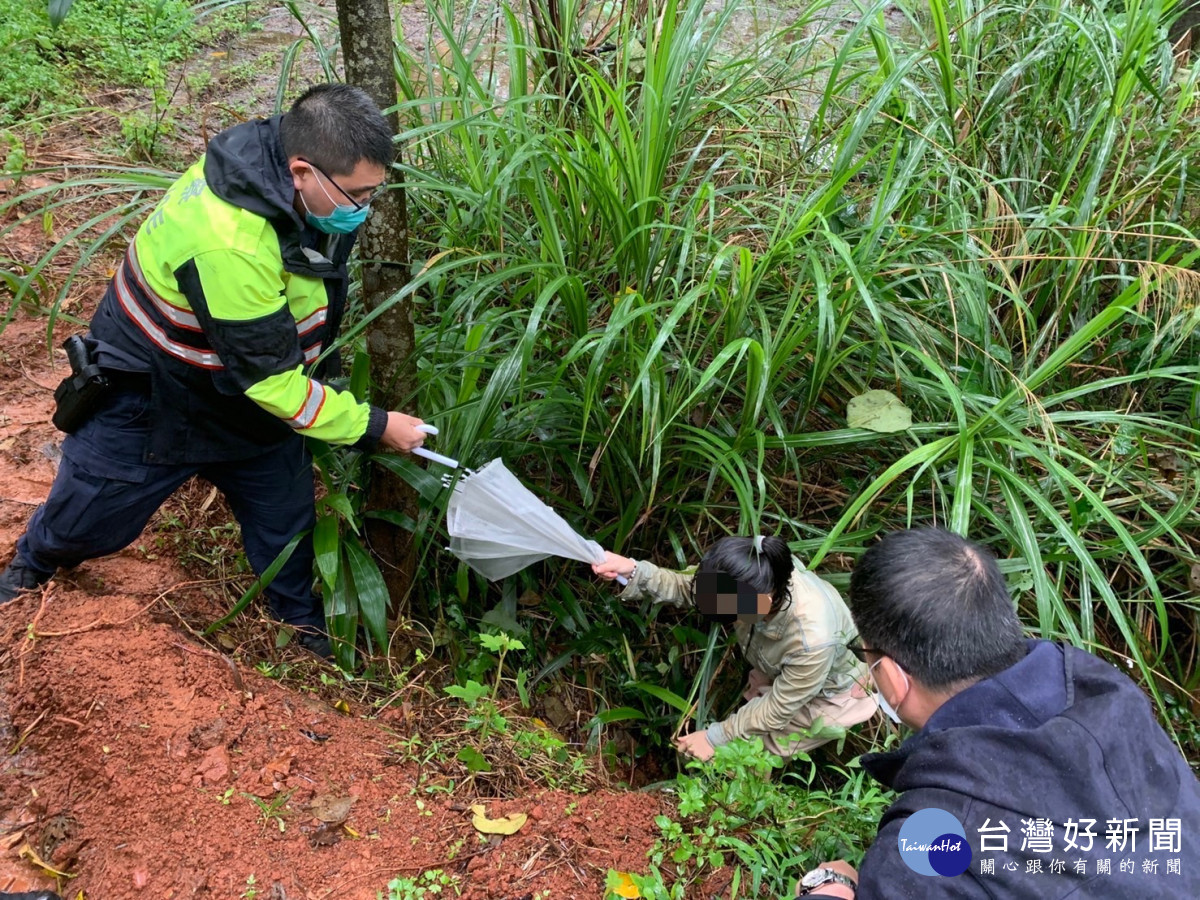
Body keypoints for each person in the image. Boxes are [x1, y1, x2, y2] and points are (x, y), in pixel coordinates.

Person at [0, 84, 429, 659]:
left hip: (245, 393)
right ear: (303, 170)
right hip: (155, 392)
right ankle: (31, 569)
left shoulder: (272, 168)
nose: (364, 208)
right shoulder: (231, 242)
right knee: (91, 515)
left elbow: (270, 364)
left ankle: (303, 631)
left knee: (285, 523)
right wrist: (378, 426)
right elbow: (273, 384)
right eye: (357, 194)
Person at [795, 527, 1200, 898]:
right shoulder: (1110, 696)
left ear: (892, 677)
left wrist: (830, 889)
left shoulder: (929, 851)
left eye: (865, 655)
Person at [593, 536, 877, 761]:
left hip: (831, 694)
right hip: (778, 664)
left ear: (763, 600)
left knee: (750, 753)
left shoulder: (811, 639)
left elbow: (777, 709)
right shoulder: (755, 571)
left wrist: (714, 737)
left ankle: (739, 817)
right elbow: (687, 587)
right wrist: (632, 570)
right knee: (742, 733)